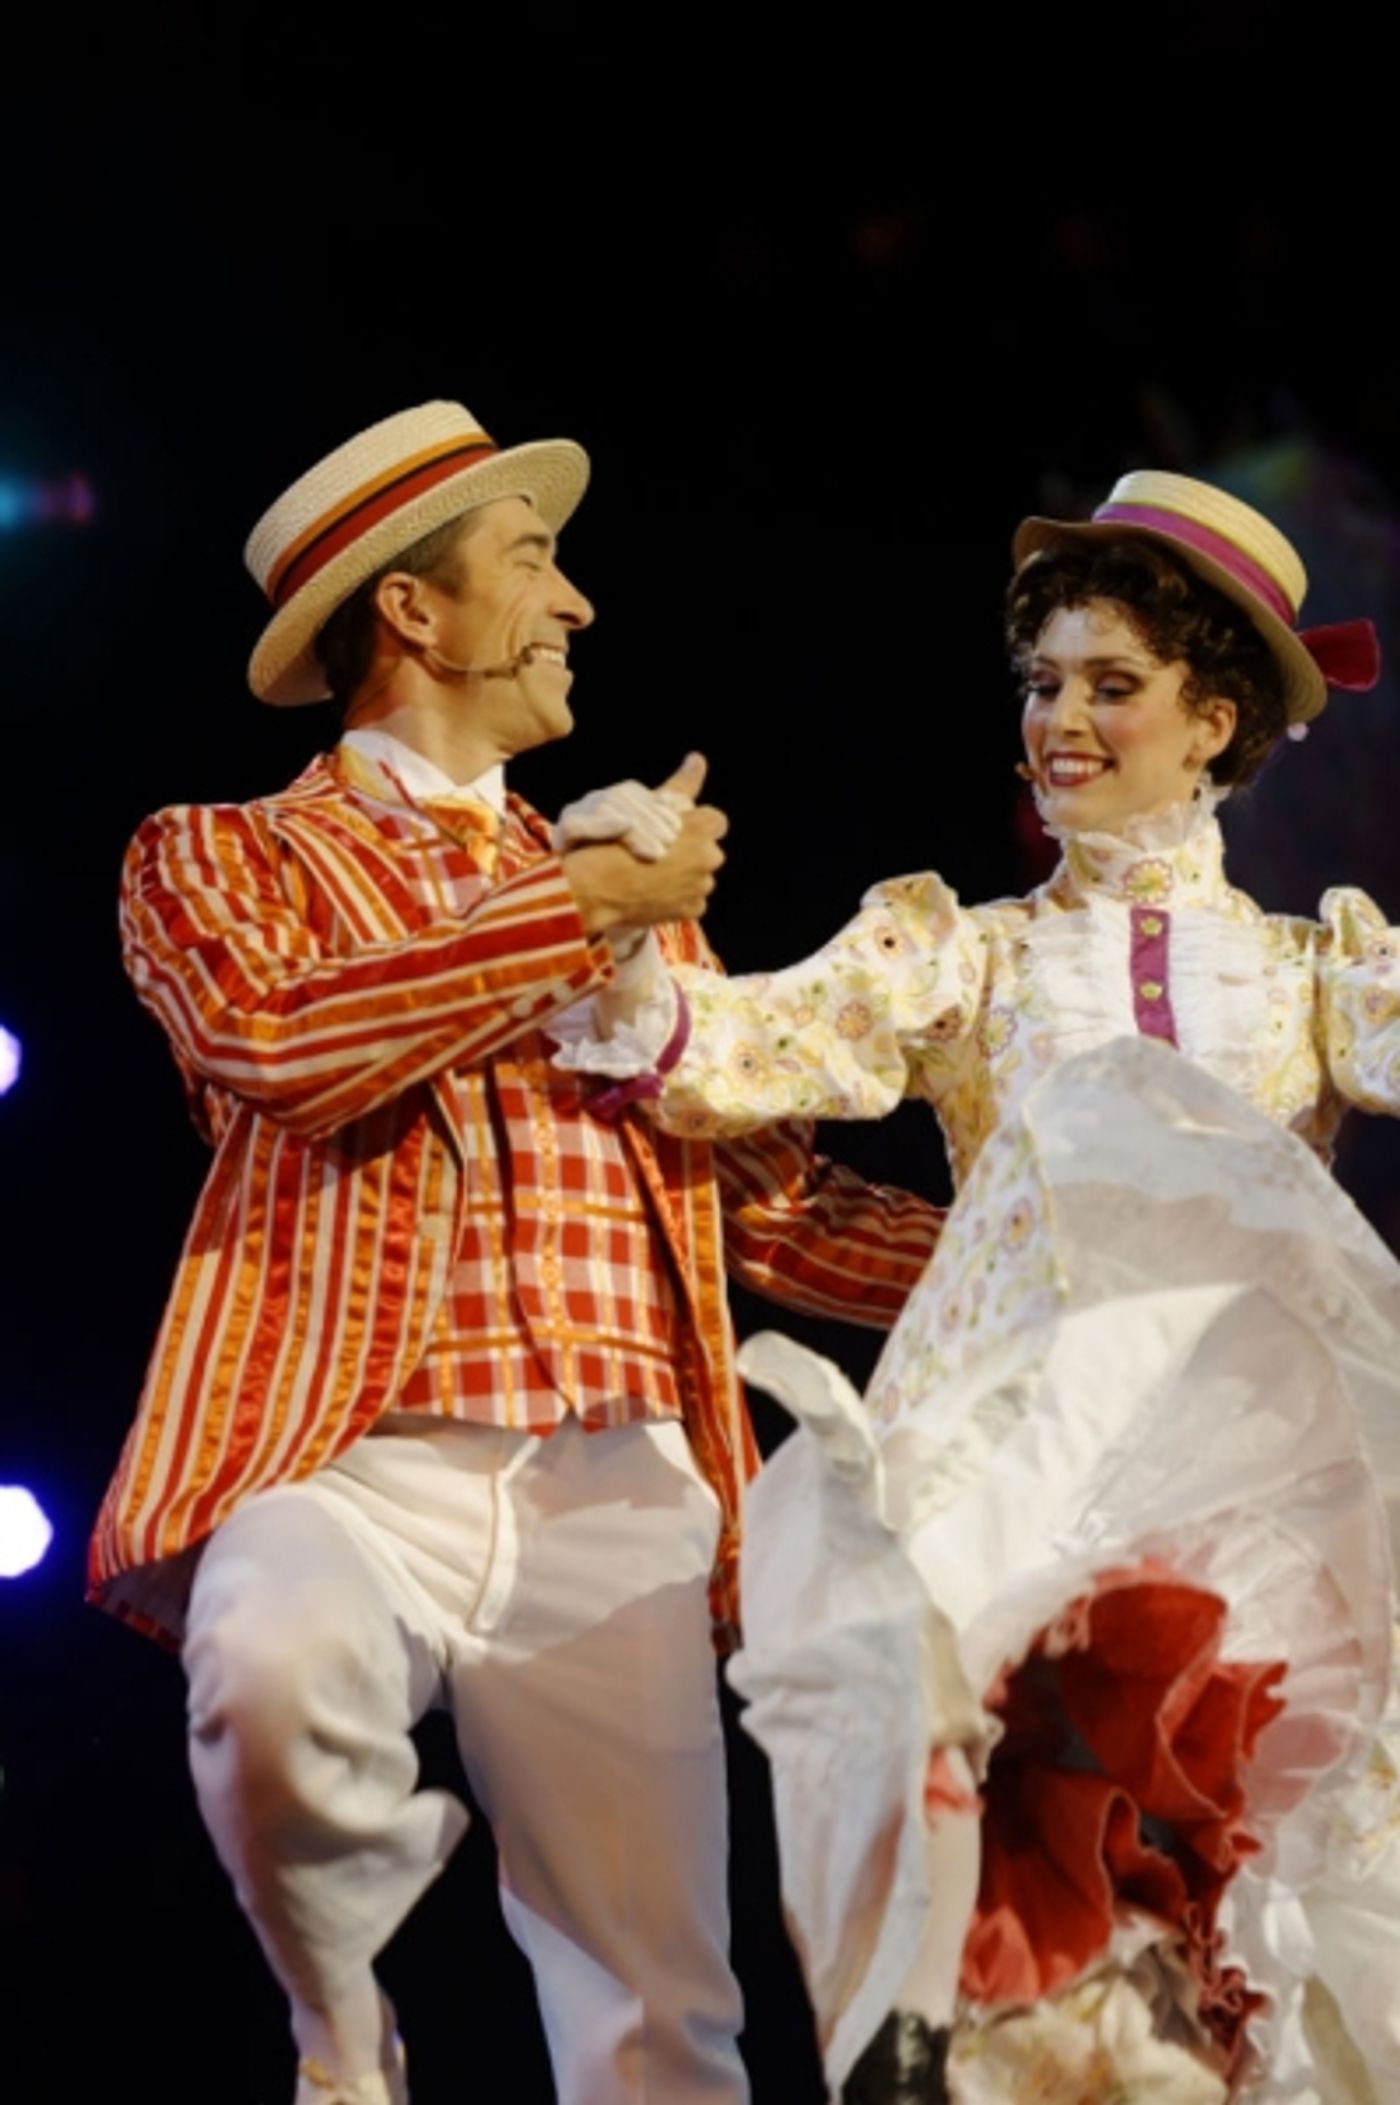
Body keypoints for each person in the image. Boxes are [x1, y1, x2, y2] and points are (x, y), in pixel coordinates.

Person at [86, 399, 946, 2105]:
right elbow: (286, 1040)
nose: (577, 607)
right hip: (353, 1458)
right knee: (263, 1672)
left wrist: (1040, 1254)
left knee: (660, 2025)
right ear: (412, 612)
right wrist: (578, 910)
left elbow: (772, 1201)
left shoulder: (629, 895)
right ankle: (343, 2032)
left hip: (616, 1487)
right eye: (536, 563)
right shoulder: (220, 855)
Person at [562, 471, 1400, 2101]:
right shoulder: (968, 952)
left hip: (1261, 1511)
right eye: (1041, 683)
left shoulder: (1320, 969)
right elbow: (739, 1050)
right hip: (1034, 1480)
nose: (1060, 720)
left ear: (1214, 717)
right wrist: (624, 929)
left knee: (1269, 1932)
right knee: (1041, 1933)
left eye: (1111, 684)